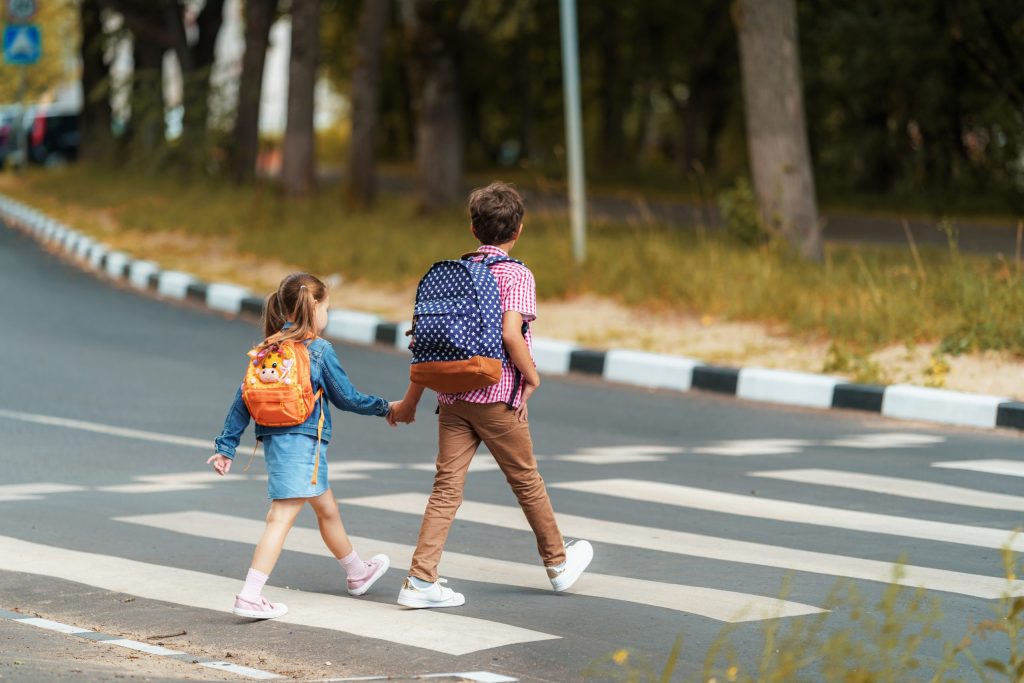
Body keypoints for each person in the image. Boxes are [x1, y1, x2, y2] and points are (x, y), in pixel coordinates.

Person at [389, 182, 594, 609]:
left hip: (452, 398)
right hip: (499, 397)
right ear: (518, 229)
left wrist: (411, 401)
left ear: (472, 228)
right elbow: (510, 333)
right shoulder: (516, 273)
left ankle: (420, 580)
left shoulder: (453, 272)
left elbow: (429, 346)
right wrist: (532, 377)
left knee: (445, 489)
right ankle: (558, 564)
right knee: (527, 481)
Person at [209, 272, 395, 619]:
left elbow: (243, 399)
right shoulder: (318, 349)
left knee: (327, 509)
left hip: (278, 442)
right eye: (327, 308)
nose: (328, 315)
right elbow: (347, 398)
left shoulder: (268, 347)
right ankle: (250, 595)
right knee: (279, 518)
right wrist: (387, 408)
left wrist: (227, 446)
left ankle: (357, 572)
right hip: (303, 442)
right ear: (315, 307)